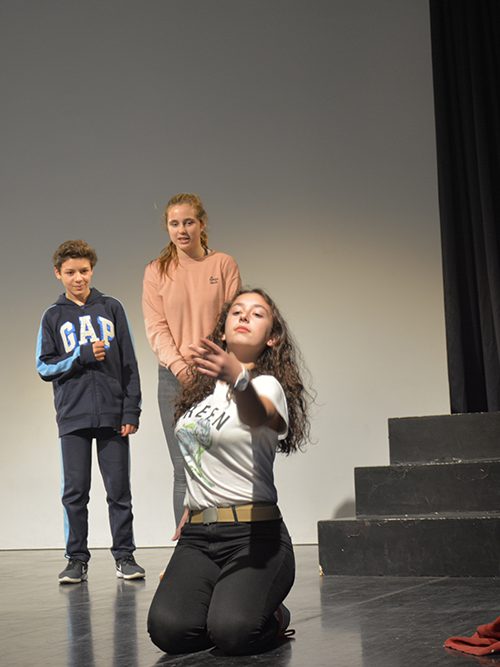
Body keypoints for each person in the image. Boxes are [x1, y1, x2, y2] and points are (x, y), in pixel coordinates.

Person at [147, 288, 311, 655]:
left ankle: (271, 615)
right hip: (199, 536)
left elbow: (259, 415)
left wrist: (238, 377)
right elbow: (197, 451)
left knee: (233, 633)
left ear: (272, 337)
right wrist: (194, 501)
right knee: (168, 632)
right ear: (222, 331)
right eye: (237, 311)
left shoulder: (266, 387)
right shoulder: (199, 396)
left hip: (255, 536)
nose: (244, 316)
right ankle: (229, 605)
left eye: (257, 314)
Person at [36, 240, 145, 584]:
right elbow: (44, 366)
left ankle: (125, 556)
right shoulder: (53, 316)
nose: (78, 278)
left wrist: (131, 410)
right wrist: (80, 356)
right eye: (70, 272)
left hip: (113, 415)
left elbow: (129, 363)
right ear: (58, 274)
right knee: (75, 492)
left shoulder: (111, 308)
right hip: (73, 416)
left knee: (119, 491)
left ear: (92, 270)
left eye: (83, 271)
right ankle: (76, 560)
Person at [142, 193, 240, 527]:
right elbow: (156, 328)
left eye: (188, 222)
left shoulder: (223, 264)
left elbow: (232, 321)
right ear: (167, 227)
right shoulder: (156, 271)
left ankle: (225, 544)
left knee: (221, 464)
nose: (181, 230)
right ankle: (188, 549)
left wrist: (215, 366)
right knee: (183, 468)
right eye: (174, 224)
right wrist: (181, 369)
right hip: (173, 379)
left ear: (202, 223)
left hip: (217, 376)